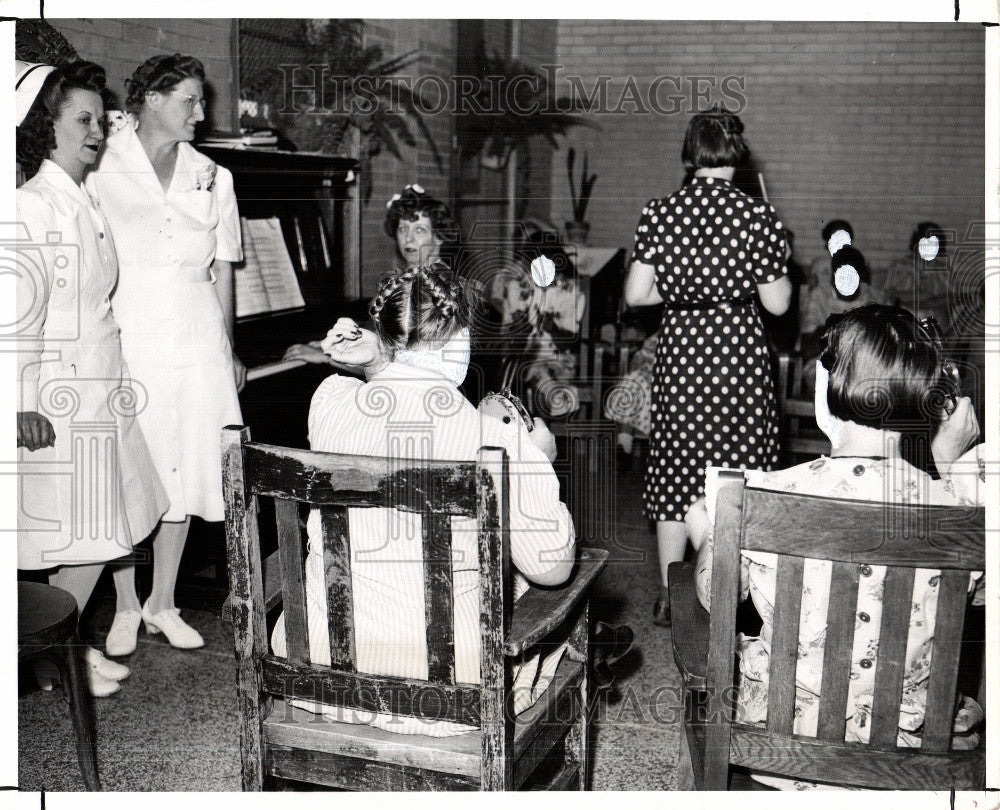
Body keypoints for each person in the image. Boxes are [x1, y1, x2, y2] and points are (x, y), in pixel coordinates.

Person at [270, 263, 576, 735]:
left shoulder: (327, 400)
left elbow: (386, 391)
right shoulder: (492, 439)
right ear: (463, 340)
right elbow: (553, 569)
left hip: (317, 673)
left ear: (387, 335)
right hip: (446, 696)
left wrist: (378, 358)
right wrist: (540, 460)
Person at [686, 304, 984, 789]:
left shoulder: (768, 495)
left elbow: (712, 595)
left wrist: (710, 535)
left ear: (831, 386)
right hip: (907, 753)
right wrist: (947, 467)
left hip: (780, 746)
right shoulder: (961, 510)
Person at [15, 60, 169, 695]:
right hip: (59, 395)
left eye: (101, 118)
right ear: (43, 127)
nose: (98, 130)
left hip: (101, 385)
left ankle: (67, 646)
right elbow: (17, 317)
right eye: (82, 119)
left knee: (101, 530)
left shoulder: (84, 199)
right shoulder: (31, 206)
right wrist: (25, 402)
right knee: (79, 534)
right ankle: (50, 655)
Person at [86, 54, 244, 655]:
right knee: (134, 468)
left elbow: (223, 270)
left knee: (184, 469)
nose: (202, 114)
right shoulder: (102, 159)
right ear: (151, 98)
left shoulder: (214, 175)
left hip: (196, 333)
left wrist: (228, 347)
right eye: (190, 101)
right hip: (128, 328)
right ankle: (126, 604)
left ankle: (163, 601)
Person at [622, 109, 792, 626]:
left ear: (689, 155)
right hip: (737, 355)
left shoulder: (660, 212)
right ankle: (736, 593)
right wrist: (775, 252)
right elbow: (780, 304)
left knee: (675, 472)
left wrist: (684, 292)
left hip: (681, 355)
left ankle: (672, 593)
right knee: (739, 470)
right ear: (737, 158)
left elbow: (636, 294)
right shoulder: (756, 216)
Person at [283, 184, 459, 368]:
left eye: (419, 230)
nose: (408, 238)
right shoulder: (413, 279)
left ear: (439, 237)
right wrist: (333, 343)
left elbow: (401, 364)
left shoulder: (440, 289)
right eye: (402, 229)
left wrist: (329, 357)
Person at [878, 222, 952, 328]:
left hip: (936, 325)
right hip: (907, 323)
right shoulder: (901, 265)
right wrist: (929, 298)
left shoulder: (943, 269)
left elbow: (950, 299)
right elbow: (891, 296)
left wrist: (924, 299)